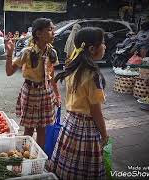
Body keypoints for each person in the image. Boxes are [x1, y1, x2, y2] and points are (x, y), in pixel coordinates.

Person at [49, 27, 108, 179]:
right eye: (103, 43)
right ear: (92, 48)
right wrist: (104, 134)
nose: (105, 46)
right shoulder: (93, 75)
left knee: (68, 163)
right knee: (84, 168)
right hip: (86, 128)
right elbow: (96, 111)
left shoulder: (72, 68)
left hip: (70, 123)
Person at [4, 18, 61, 148]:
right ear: (38, 33)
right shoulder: (27, 52)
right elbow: (9, 72)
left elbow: (51, 76)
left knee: (42, 129)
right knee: (29, 129)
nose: (54, 32)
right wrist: (10, 53)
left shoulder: (52, 52)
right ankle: (25, 155)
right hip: (30, 92)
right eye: (50, 29)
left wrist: (57, 95)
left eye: (53, 29)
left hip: (47, 93)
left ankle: (38, 157)